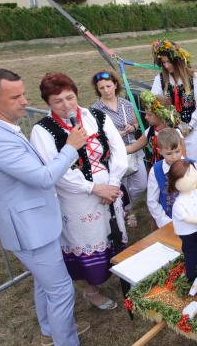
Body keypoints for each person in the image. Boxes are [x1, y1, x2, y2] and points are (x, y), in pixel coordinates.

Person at [0, 68, 106, 346]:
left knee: (44, 284)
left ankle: (50, 330)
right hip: (30, 231)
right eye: (15, 96)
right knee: (60, 291)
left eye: (23, 94)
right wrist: (71, 147)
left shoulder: (5, 130)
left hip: (36, 225)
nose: (25, 101)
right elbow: (44, 177)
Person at [30, 72, 128, 312]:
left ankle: (119, 275)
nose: (66, 105)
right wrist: (93, 187)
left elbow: (118, 150)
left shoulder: (97, 117)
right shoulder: (43, 130)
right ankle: (91, 290)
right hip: (77, 200)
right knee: (88, 240)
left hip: (110, 191)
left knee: (113, 234)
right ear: (48, 103)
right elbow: (56, 170)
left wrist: (113, 183)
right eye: (58, 101)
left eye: (70, 98)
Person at [90, 70, 147, 228]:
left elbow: (136, 124)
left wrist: (132, 127)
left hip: (132, 150)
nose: (106, 90)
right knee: (121, 185)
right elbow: (94, 136)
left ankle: (130, 206)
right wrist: (113, 137)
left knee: (141, 184)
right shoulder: (94, 110)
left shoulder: (126, 104)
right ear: (97, 90)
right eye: (101, 88)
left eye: (108, 86)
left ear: (115, 85)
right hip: (113, 155)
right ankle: (126, 212)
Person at [150, 39, 197, 168]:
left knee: (192, 164)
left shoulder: (195, 78)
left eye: (169, 62)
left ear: (178, 60)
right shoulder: (160, 79)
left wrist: (188, 127)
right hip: (169, 133)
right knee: (173, 167)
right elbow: (155, 103)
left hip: (191, 132)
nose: (166, 66)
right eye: (163, 62)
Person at [126, 91, 182, 169]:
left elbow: (183, 157)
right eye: (145, 113)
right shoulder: (151, 131)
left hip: (173, 170)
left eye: (149, 114)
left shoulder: (175, 133)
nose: (145, 117)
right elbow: (132, 148)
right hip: (157, 169)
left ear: (160, 115)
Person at [145, 128, 186, 229]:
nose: (174, 157)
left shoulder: (191, 165)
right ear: (159, 151)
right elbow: (152, 201)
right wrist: (165, 222)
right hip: (169, 220)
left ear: (181, 146)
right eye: (169, 153)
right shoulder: (156, 171)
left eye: (177, 151)